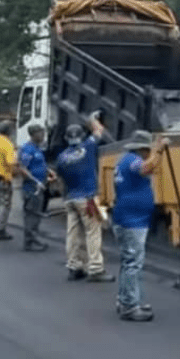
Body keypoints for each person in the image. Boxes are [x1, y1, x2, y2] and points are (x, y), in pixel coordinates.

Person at [111, 131, 169, 322]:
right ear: (142, 149)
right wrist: (159, 151)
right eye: (148, 150)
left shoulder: (124, 160)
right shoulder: (133, 161)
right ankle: (129, 306)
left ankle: (126, 299)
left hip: (128, 217)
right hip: (131, 220)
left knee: (128, 261)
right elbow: (146, 168)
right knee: (133, 262)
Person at [55, 114, 115, 282]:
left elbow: (60, 181)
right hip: (88, 198)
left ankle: (74, 266)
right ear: (81, 136)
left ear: (67, 138)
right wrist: (93, 119)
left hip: (70, 199)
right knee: (93, 232)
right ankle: (95, 269)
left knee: (73, 234)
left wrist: (64, 197)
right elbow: (99, 131)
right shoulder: (88, 147)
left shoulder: (62, 158)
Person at [18, 124, 51, 252]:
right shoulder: (28, 149)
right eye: (41, 133)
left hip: (39, 187)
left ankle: (33, 239)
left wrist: (48, 171)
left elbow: (38, 164)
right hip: (32, 188)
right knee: (32, 215)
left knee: (36, 215)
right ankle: (30, 242)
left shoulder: (37, 148)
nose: (43, 136)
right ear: (34, 134)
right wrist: (35, 181)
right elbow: (22, 168)